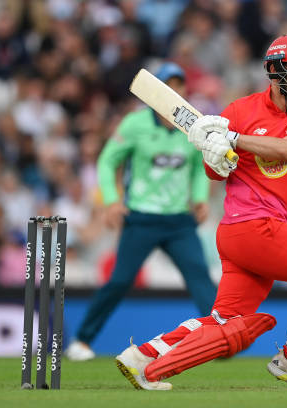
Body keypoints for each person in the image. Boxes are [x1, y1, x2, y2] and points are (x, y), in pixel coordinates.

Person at [114, 34, 287, 391]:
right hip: (254, 228)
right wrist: (213, 151)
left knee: (224, 321)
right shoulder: (238, 111)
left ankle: (142, 357)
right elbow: (214, 173)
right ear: (274, 69)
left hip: (247, 236)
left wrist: (233, 140)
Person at [65, 62, 217, 361]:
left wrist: (200, 198)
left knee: (200, 278)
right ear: (154, 91)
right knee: (120, 281)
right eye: (168, 85)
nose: (175, 91)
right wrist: (112, 201)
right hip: (141, 218)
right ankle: (81, 341)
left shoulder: (194, 126)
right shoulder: (135, 124)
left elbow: (199, 166)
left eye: (179, 85)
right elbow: (108, 160)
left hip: (179, 221)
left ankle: (219, 341)